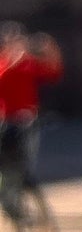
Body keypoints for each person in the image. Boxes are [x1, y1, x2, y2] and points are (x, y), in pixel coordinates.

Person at [0, 26, 63, 194]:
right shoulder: (3, 63)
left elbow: (53, 72)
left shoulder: (28, 63)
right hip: (5, 120)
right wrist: (13, 61)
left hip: (26, 119)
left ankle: (23, 180)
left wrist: (51, 49)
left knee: (24, 155)